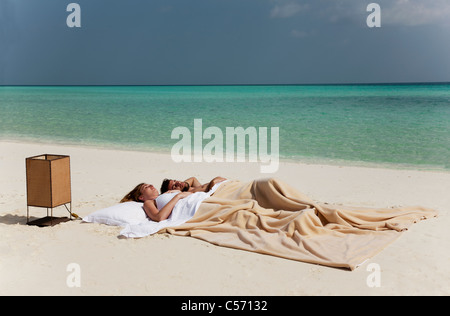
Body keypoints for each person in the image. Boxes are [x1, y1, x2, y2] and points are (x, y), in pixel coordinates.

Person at [120, 183, 192, 222]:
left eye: (149, 184)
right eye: (146, 187)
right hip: (191, 208)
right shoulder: (149, 202)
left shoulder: (165, 193)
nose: (151, 185)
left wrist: (179, 192)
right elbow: (159, 217)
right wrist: (178, 196)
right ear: (141, 197)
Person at [160, 176, 226, 194]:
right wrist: (213, 182)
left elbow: (193, 179)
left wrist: (181, 185)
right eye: (174, 186)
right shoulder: (190, 194)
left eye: (175, 181)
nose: (178, 183)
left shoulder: (192, 188)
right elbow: (211, 192)